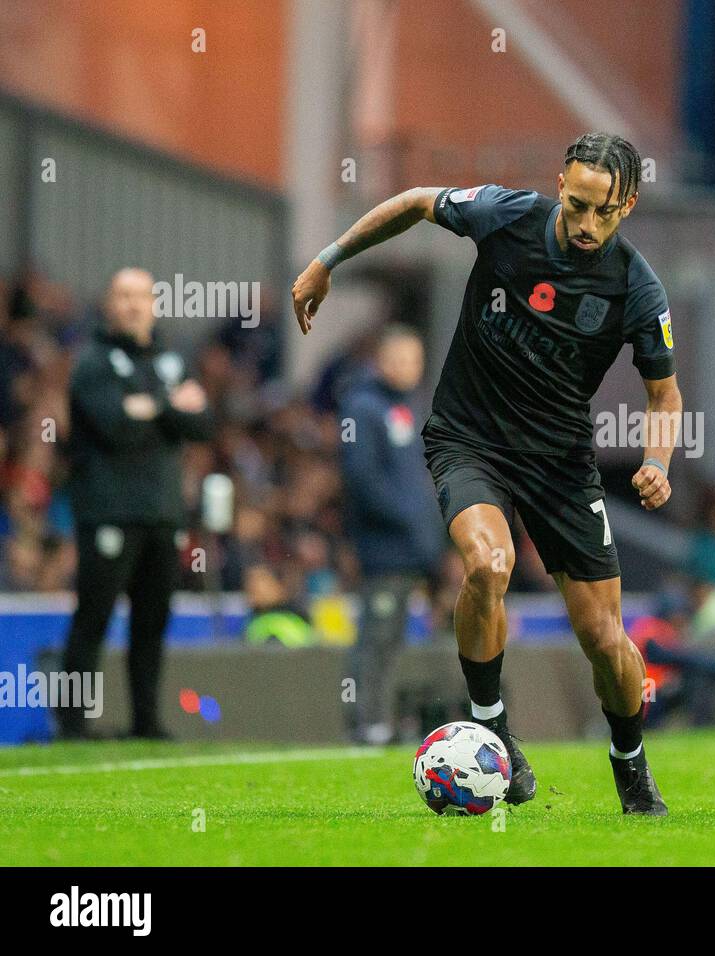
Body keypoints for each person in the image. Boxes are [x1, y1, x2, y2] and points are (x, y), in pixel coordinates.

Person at [291, 133, 682, 814]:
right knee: (487, 564)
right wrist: (329, 260)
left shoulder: (636, 286)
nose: (589, 226)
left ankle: (630, 762)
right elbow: (415, 203)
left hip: (561, 464)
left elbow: (663, 393)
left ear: (630, 205)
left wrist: (656, 460)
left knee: (603, 637)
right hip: (469, 441)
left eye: (606, 213)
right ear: (562, 183)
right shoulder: (506, 215)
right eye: (581, 204)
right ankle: (493, 726)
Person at [59, 268, 212, 739]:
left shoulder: (171, 358)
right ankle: (72, 724)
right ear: (109, 303)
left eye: (140, 296)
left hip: (163, 512)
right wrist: (172, 406)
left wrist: (149, 406)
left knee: (151, 622)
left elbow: (203, 425)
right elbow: (116, 428)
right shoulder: (92, 362)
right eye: (122, 295)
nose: (132, 304)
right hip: (108, 510)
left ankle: (146, 721)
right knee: (94, 616)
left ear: (155, 304)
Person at [338, 326, 443, 745]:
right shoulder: (361, 407)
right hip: (382, 546)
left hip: (410, 549)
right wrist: (410, 521)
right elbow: (361, 478)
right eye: (399, 359)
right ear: (380, 360)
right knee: (375, 637)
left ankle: (377, 719)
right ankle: (364, 723)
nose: (407, 368)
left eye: (414, 361)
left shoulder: (410, 408)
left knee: (392, 637)